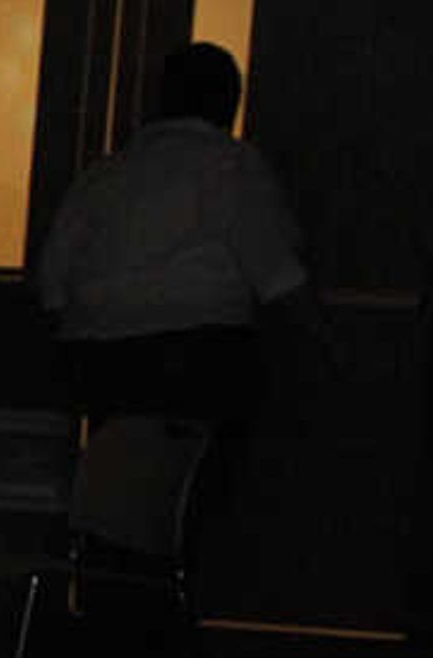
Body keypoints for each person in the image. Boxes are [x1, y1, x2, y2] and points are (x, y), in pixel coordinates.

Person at [35, 40, 316, 428]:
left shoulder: (104, 173)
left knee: (120, 470)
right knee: (201, 468)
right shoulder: (231, 166)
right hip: (195, 356)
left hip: (95, 358)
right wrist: (327, 346)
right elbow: (277, 273)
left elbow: (53, 281)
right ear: (230, 104)